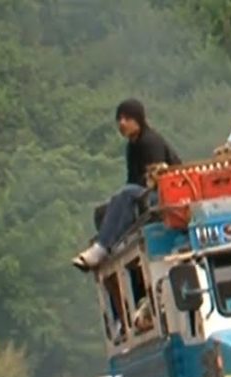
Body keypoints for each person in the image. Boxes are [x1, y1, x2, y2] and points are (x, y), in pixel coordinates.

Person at [73, 99, 181, 271]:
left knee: (127, 194)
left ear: (138, 119)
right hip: (142, 192)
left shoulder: (150, 141)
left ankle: (102, 247)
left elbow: (156, 178)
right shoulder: (132, 146)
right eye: (119, 119)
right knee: (105, 210)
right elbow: (132, 179)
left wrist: (129, 195)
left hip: (165, 194)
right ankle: (108, 241)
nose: (122, 123)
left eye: (127, 119)